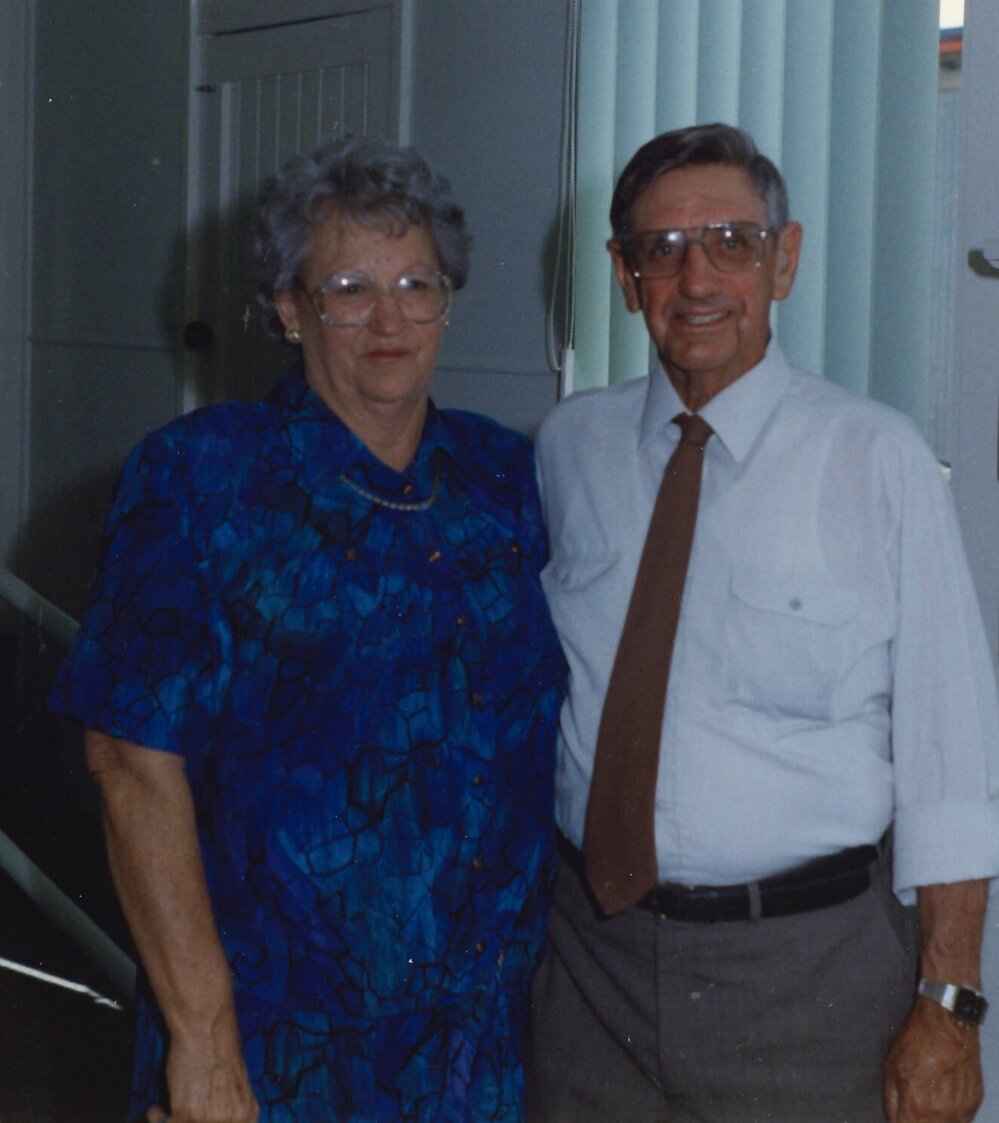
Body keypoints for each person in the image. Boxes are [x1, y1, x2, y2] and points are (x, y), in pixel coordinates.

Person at [49, 136, 565, 1122]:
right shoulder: (203, 479)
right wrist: (201, 1045)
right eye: (347, 287)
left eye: (418, 282)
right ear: (289, 309)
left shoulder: (509, 482)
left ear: (448, 300)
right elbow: (128, 760)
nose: (389, 318)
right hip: (273, 1042)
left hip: (478, 1046)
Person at [526, 123, 999, 1122]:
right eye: (663, 249)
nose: (698, 278)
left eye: (733, 242)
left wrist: (949, 1007)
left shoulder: (877, 457)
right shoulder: (570, 448)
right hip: (591, 970)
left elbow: (951, 758)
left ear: (784, 261)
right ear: (623, 274)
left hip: (808, 978)